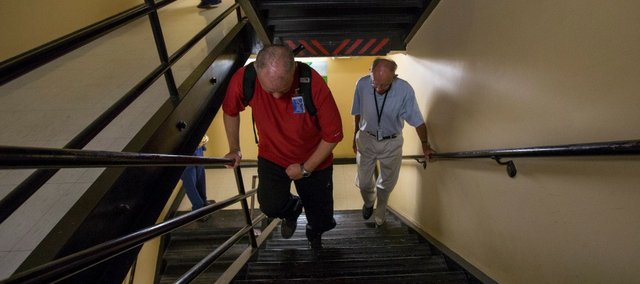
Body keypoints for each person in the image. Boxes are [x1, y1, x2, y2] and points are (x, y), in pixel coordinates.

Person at [222, 45, 344, 249]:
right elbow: (230, 110)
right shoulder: (245, 79)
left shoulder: (313, 83)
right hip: (272, 156)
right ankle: (292, 209)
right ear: (258, 73)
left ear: (294, 70)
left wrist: (305, 169)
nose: (277, 97)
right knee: (270, 205)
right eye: (270, 91)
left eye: (283, 89)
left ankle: (314, 232)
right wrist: (235, 147)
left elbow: (333, 135)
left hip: (314, 159)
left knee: (320, 218)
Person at [351, 58, 435, 226]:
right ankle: (369, 202)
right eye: (376, 84)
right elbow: (358, 112)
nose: (379, 89)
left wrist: (425, 144)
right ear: (370, 72)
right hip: (366, 138)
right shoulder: (361, 84)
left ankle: (381, 207)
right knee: (364, 182)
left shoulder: (404, 90)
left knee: (387, 182)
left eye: (385, 85)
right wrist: (355, 135)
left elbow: (417, 120)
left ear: (394, 77)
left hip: (392, 141)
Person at [181, 135, 214, 222]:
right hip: (183, 150)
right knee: (190, 180)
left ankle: (203, 202)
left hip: (197, 146)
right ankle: (198, 209)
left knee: (200, 176)